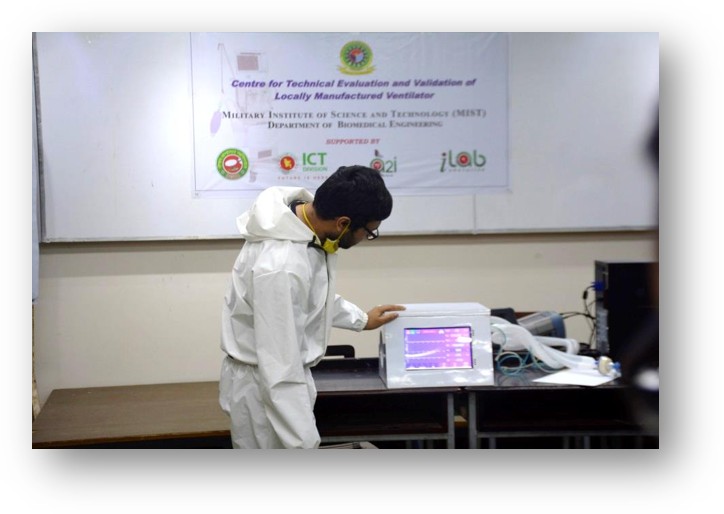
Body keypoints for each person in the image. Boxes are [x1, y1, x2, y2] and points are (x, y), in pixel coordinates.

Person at [219, 165, 405, 449]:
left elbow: (310, 297)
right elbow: (280, 370)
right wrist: (305, 445)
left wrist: (361, 319)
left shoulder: (302, 226)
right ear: (343, 223)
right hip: (266, 388)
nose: (366, 238)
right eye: (369, 232)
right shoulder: (281, 266)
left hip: (275, 378)